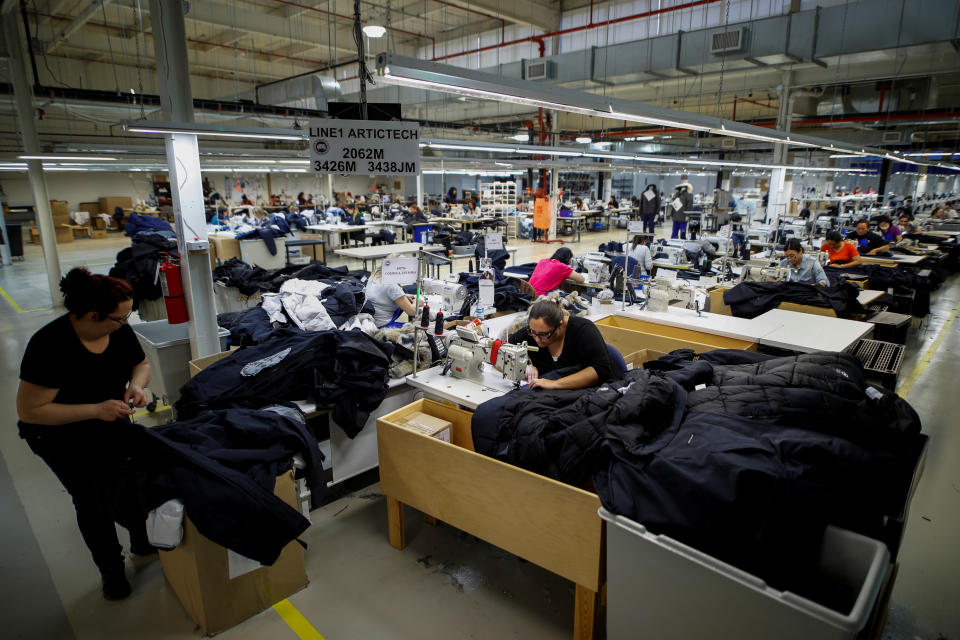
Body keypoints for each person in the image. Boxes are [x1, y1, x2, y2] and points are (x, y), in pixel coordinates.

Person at [16, 268, 152, 601]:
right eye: (120, 318)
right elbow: (31, 410)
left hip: (109, 418)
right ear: (93, 316)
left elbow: (142, 363)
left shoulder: (117, 330)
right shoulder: (50, 345)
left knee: (131, 480)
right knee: (91, 501)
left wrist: (136, 385)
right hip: (59, 437)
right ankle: (111, 570)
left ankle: (141, 539)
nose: (125, 323)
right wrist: (94, 410)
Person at [509, 299, 613, 390]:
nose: (537, 339)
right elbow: (504, 350)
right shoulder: (535, 331)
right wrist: (524, 364)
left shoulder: (583, 330)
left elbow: (601, 370)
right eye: (532, 332)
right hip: (549, 396)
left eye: (544, 334)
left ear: (560, 325)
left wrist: (555, 384)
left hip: (584, 393)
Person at [364, 256, 418, 327]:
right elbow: (412, 312)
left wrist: (403, 296)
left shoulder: (374, 276)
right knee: (420, 331)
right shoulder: (392, 286)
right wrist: (418, 302)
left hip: (372, 321)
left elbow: (384, 294)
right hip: (383, 325)